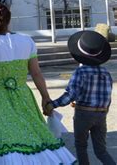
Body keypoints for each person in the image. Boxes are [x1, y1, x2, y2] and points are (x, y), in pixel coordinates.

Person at [0, 3, 76, 164]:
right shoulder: (26, 41)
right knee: (30, 134)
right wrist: (45, 98)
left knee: (1, 139)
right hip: (23, 96)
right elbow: (36, 73)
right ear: (8, 20)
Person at [45, 31, 115, 165]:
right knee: (101, 151)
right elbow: (107, 97)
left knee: (81, 147)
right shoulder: (106, 73)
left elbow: (70, 95)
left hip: (83, 114)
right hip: (101, 114)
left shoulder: (80, 72)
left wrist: (52, 104)